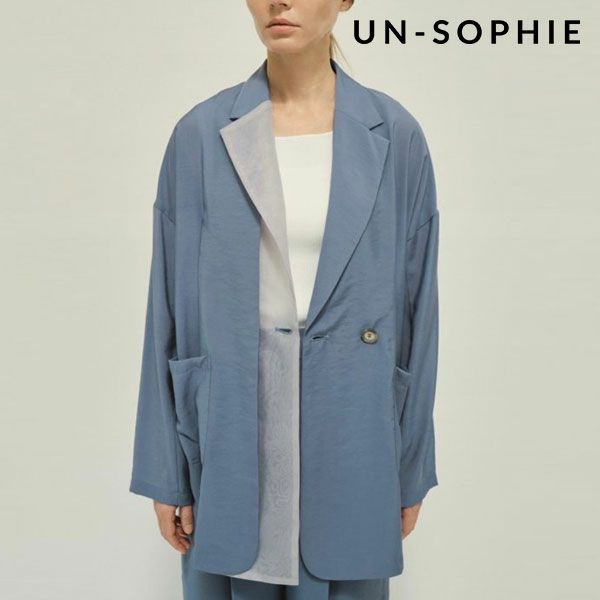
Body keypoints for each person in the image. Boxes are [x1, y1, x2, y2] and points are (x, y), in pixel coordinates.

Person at [129, 1, 441, 598]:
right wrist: (165, 470)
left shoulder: (394, 133)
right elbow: (165, 309)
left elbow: (419, 313)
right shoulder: (200, 134)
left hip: (353, 422)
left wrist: (410, 467)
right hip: (231, 426)